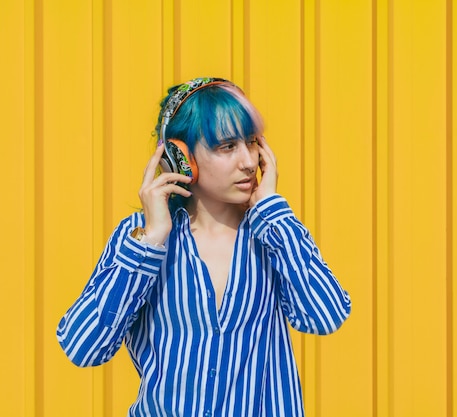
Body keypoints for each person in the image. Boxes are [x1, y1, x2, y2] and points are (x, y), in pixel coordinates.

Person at [57, 77, 351, 417]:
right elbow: (84, 348)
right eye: (227, 147)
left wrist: (271, 211)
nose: (248, 161)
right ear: (181, 158)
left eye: (252, 142)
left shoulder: (273, 233)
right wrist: (151, 241)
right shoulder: (140, 238)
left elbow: (325, 316)